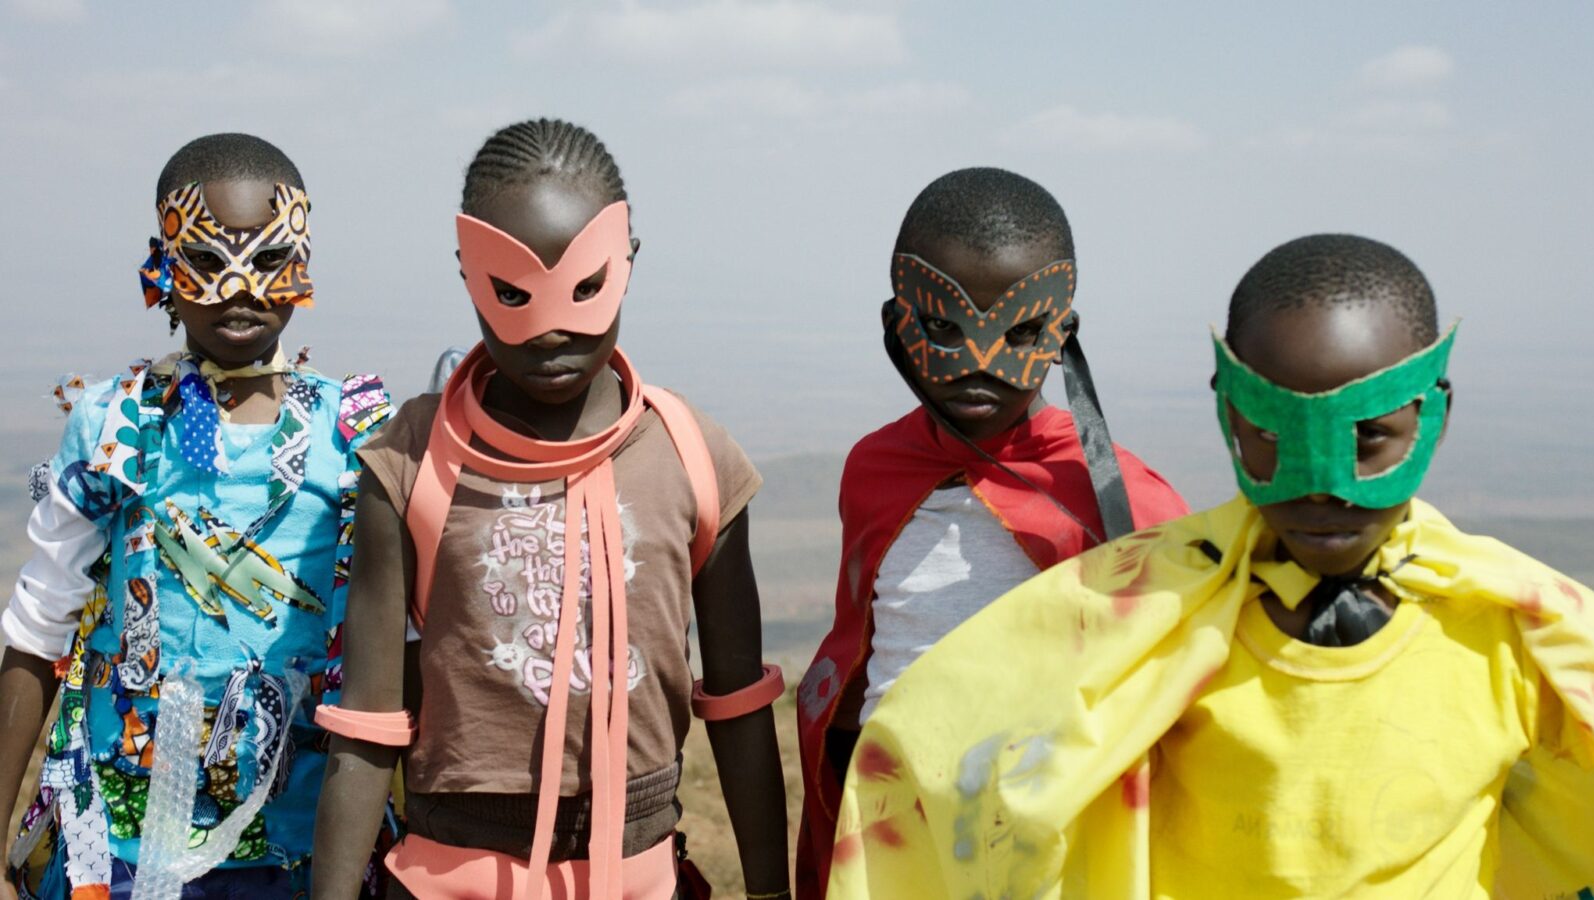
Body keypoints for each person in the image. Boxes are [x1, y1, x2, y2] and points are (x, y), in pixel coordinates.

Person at [828, 234, 1594, 898]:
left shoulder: (1525, 634)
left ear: (1434, 416)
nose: (1321, 487)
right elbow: (927, 738)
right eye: (1274, 435)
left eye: (1366, 438)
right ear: (1230, 414)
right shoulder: (1139, 617)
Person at [311, 119, 790, 900]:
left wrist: (771, 892)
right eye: (511, 293)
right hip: (449, 879)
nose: (552, 330)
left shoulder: (692, 456)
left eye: (584, 287)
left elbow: (736, 703)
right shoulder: (409, 459)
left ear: (628, 262)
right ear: (467, 273)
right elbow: (368, 727)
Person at [0, 133, 393, 900]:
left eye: (267, 258)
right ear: (163, 270)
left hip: (309, 854)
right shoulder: (115, 423)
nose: (238, 289)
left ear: (303, 264)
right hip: (120, 853)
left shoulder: (353, 434)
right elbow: (39, 628)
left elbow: (395, 654)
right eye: (208, 261)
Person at [794, 167, 1189, 897]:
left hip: (1050, 859)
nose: (978, 362)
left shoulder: (1122, 501)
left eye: (1019, 331)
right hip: (889, 846)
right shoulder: (875, 469)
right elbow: (860, 660)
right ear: (897, 323)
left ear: (1062, 332)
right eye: (942, 328)